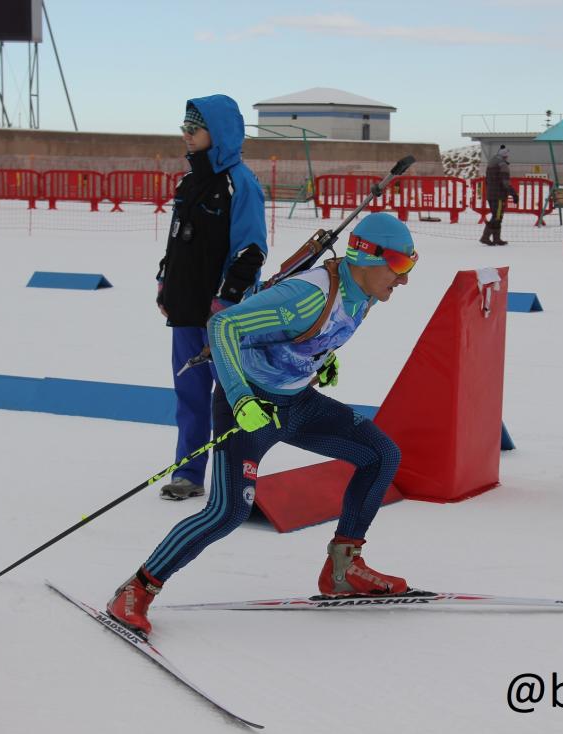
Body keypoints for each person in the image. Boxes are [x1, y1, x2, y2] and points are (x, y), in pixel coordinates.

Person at [109, 212, 419, 636]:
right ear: (367, 257)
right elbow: (224, 325)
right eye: (400, 265)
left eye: (410, 266)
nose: (403, 279)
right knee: (228, 511)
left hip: (296, 403)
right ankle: (136, 590)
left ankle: (343, 570)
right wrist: (240, 400)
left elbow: (304, 335)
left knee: (379, 454)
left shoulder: (363, 293)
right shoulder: (305, 294)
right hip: (252, 407)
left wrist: (319, 360)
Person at [155, 95, 267, 501]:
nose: (185, 135)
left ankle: (237, 473)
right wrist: (166, 281)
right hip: (185, 309)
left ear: (216, 133)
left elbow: (251, 251)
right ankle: (189, 472)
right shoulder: (188, 181)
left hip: (223, 315)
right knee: (189, 395)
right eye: (183, 128)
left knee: (231, 396)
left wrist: (227, 301)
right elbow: (177, 242)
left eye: (193, 129)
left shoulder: (242, 183)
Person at [480, 145, 518, 246]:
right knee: (497, 217)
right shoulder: (502, 165)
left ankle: (497, 239)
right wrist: (514, 194)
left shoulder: (491, 163)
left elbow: (487, 180)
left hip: (490, 194)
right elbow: (505, 182)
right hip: (499, 195)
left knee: (496, 216)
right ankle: (485, 237)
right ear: (505, 156)